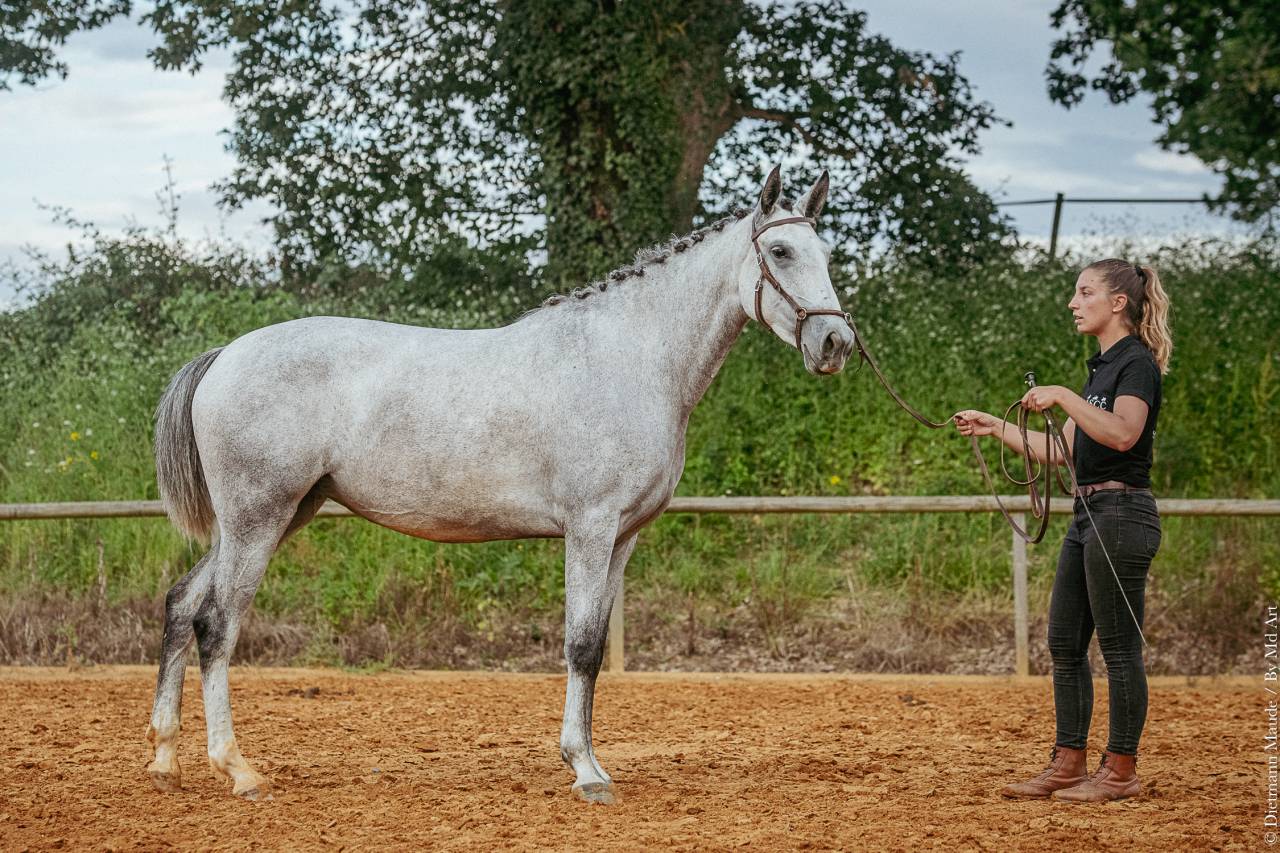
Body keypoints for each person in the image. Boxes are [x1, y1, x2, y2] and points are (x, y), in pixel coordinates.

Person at [954, 259, 1172, 803]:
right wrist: (995, 424)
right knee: (1065, 644)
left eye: (1084, 292)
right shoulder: (1100, 371)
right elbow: (1059, 450)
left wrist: (1062, 395)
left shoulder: (1135, 364)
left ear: (1117, 303)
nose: (1073, 303)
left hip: (1122, 516)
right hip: (1088, 516)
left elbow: (1123, 435)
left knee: (1120, 649)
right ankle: (1068, 763)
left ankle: (1120, 771)